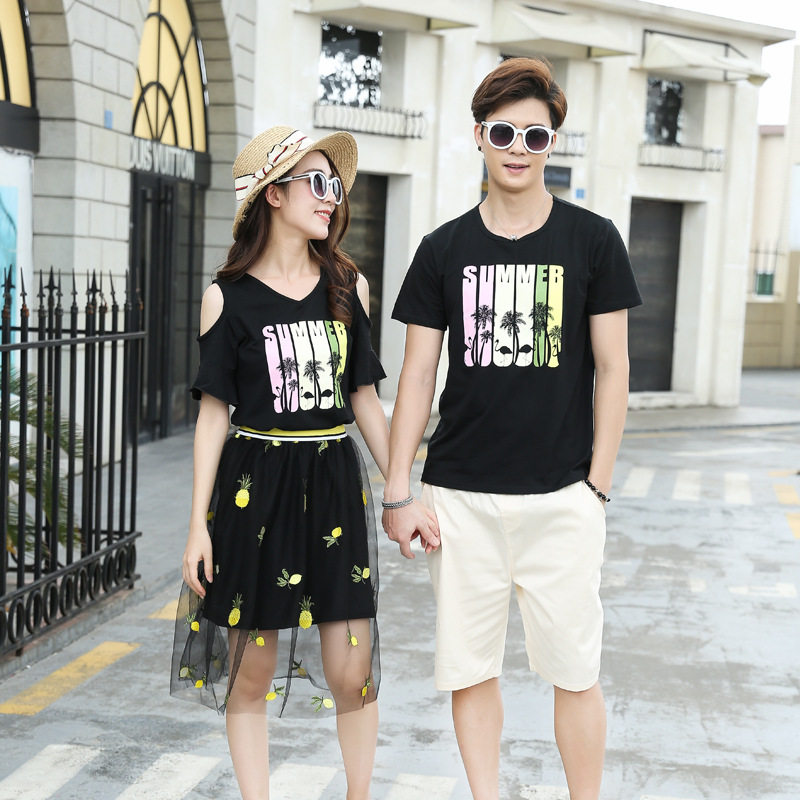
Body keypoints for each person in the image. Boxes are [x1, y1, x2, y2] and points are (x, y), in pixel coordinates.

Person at [383, 58, 642, 800]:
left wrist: (597, 486)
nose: (518, 148)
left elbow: (614, 369)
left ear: (553, 142)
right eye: (503, 132)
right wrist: (399, 489)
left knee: (576, 671)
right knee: (470, 671)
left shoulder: (593, 240)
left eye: (535, 134)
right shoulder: (442, 249)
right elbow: (416, 377)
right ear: (479, 137)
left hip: (563, 497)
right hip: (460, 499)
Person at [170, 125, 392, 800]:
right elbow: (214, 414)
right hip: (252, 489)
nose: (332, 197)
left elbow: (364, 397)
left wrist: (404, 488)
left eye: (335, 186)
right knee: (252, 671)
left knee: (351, 669)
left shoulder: (349, 287)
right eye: (317, 182)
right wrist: (197, 525)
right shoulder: (226, 296)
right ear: (273, 194)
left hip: (333, 483)